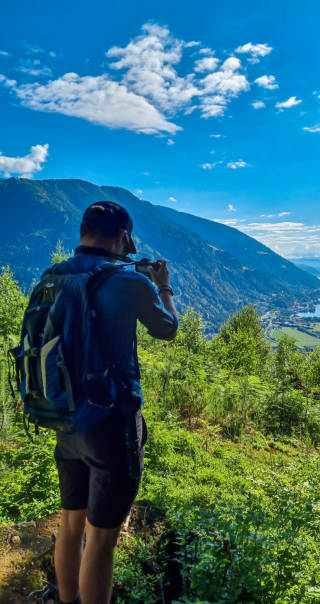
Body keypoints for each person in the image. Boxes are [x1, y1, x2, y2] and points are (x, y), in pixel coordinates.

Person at [51, 201, 179, 604]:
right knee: (102, 539)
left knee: (71, 524)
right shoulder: (130, 282)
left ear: (83, 231)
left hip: (66, 417)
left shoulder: (54, 276)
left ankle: (65, 599)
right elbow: (168, 329)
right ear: (123, 237)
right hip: (111, 424)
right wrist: (162, 285)